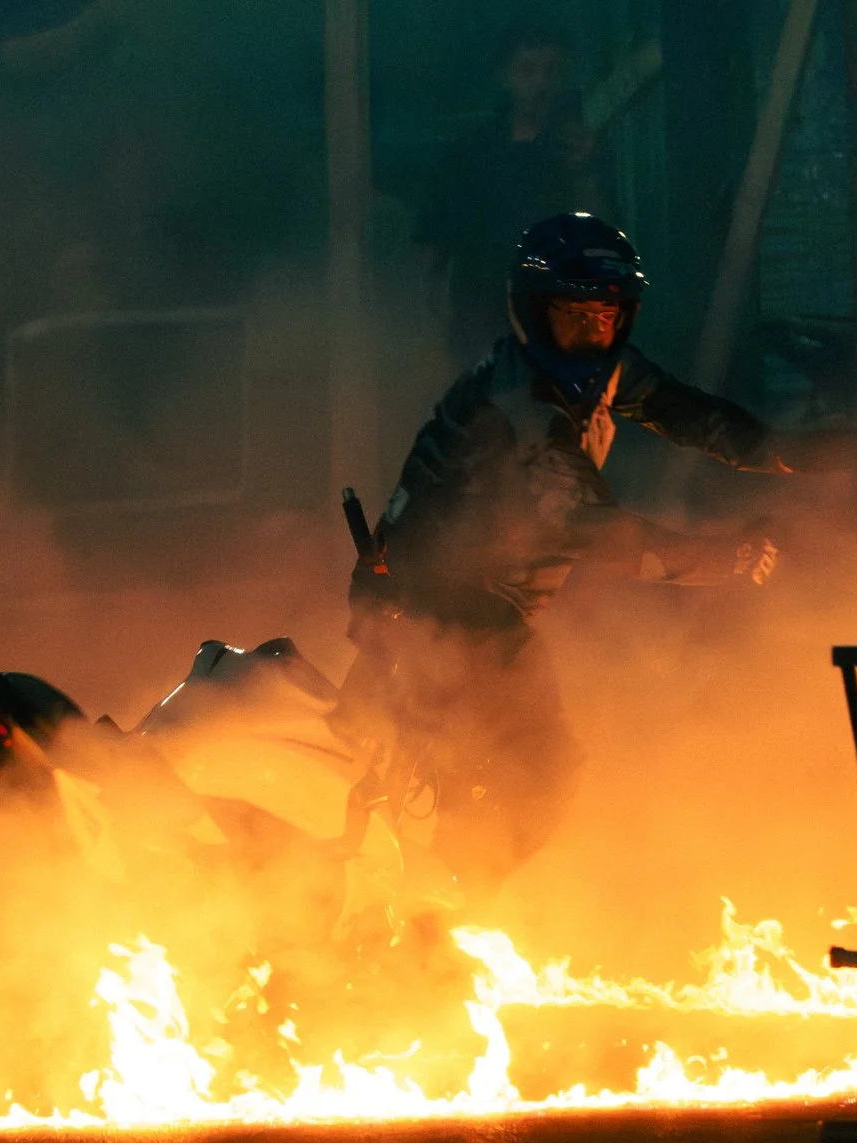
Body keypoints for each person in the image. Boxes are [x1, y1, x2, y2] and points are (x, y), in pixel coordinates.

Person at [340, 213, 797, 894]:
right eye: (572, 316)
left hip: (465, 611)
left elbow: (686, 411)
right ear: (531, 314)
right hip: (443, 611)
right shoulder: (521, 406)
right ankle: (433, 919)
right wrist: (718, 558)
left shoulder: (596, 374)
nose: (592, 334)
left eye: (605, 316)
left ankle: (426, 909)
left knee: (477, 774)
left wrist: (796, 456)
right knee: (538, 768)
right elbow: (592, 527)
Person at [412, 22, 605, 358]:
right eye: (527, 70)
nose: (540, 83)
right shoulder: (469, 153)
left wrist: (587, 172)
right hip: (479, 313)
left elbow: (601, 239)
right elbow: (435, 235)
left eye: (551, 71)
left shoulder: (578, 152)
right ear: (505, 75)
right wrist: (427, 308)